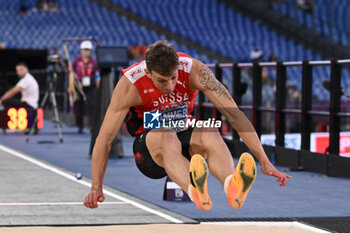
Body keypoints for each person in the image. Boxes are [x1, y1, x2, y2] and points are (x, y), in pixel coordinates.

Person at [84, 41, 290, 211]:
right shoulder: (130, 84)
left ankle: (232, 185)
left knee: (209, 129)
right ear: (148, 72)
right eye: (161, 81)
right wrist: (96, 187)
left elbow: (234, 114)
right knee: (166, 135)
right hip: (149, 150)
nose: (170, 86)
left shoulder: (194, 70)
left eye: (173, 78)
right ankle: (194, 189)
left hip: (184, 136)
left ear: (178, 69)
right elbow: (104, 139)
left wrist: (263, 159)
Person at [68, 40, 100, 134]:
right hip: (78, 85)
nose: (86, 52)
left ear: (90, 51)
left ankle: (92, 127)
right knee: (78, 106)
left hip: (90, 86)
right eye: (84, 50)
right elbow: (71, 75)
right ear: (81, 50)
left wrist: (98, 87)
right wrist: (70, 87)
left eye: (88, 50)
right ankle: (80, 126)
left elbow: (97, 76)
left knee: (92, 106)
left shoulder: (94, 62)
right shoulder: (76, 62)